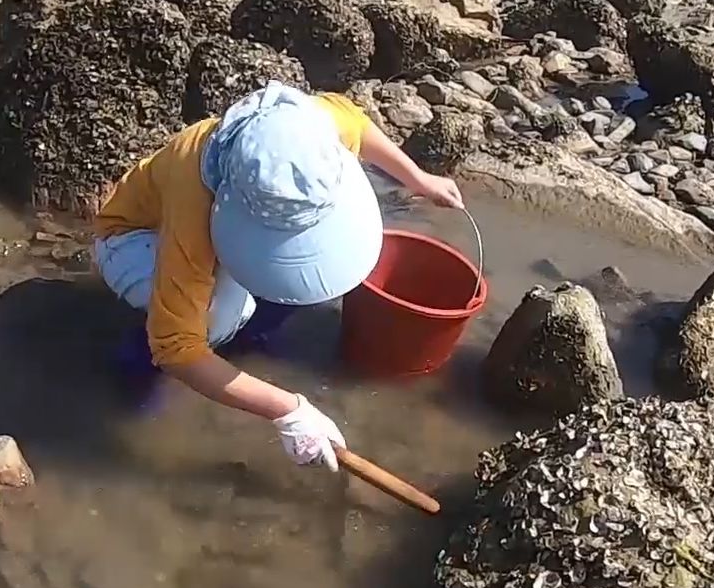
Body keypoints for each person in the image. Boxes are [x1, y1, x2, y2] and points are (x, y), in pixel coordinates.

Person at [92, 83, 465, 472]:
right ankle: (137, 366)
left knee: (308, 281)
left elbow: (356, 122)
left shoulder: (304, 129)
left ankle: (245, 341)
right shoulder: (194, 203)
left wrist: (420, 179)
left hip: (215, 229)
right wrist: (288, 410)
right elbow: (177, 346)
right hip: (133, 241)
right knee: (211, 320)